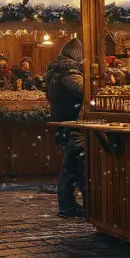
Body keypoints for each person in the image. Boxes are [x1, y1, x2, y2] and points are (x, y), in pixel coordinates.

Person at [45, 38, 86, 218]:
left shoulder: (56, 70)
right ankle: (70, 204)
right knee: (76, 164)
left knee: (72, 164)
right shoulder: (69, 73)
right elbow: (85, 91)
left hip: (64, 122)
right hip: (72, 124)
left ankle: (67, 203)